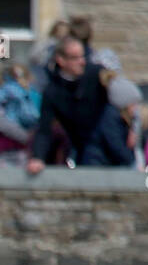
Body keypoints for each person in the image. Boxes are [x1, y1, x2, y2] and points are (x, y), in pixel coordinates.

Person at [27, 36, 109, 173]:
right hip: (78, 145)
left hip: (103, 142)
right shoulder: (52, 91)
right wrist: (38, 157)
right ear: (61, 60)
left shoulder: (97, 75)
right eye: (75, 58)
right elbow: (44, 129)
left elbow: (121, 101)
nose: (82, 62)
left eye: (83, 56)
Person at [81, 76, 143, 167]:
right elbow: (116, 146)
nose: (135, 108)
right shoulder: (110, 118)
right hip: (97, 166)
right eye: (133, 104)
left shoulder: (118, 119)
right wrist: (131, 160)